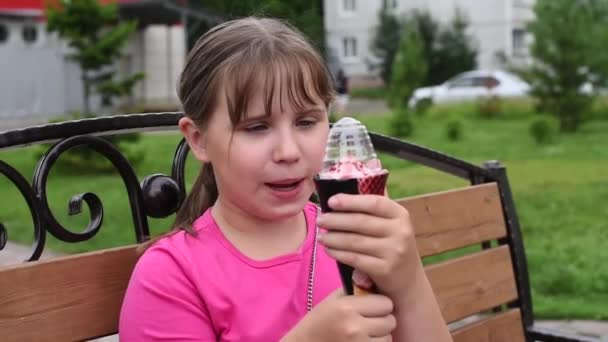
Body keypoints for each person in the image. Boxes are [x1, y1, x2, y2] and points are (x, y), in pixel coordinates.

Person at [119, 17, 452, 342]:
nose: (289, 151)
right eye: (257, 127)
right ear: (199, 139)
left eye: (306, 122)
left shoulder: (351, 240)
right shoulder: (172, 275)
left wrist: (408, 279)